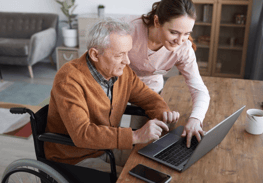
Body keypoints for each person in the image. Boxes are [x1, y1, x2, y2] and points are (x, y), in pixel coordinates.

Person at [43, 18, 180, 174]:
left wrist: (164, 112)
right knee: (136, 178)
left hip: (108, 148)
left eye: (128, 52)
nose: (127, 61)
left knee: (156, 166)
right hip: (75, 158)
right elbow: (82, 133)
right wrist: (135, 136)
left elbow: (147, 97)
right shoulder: (69, 79)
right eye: (119, 55)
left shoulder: (122, 72)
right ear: (95, 54)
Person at [125, 0, 210, 148]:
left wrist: (196, 119)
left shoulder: (183, 48)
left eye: (186, 34)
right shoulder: (129, 30)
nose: (179, 41)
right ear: (157, 21)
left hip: (151, 90)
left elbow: (199, 89)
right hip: (120, 84)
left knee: (148, 141)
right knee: (126, 137)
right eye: (174, 32)